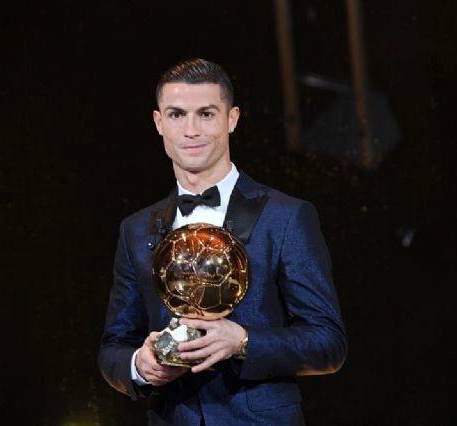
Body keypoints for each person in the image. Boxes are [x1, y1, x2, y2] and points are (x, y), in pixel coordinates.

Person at [98, 57, 347, 425]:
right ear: (159, 122)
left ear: (232, 119)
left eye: (206, 114)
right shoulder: (135, 230)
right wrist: (140, 365)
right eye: (177, 114)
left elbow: (328, 343)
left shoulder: (285, 217)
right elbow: (113, 348)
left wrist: (243, 341)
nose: (191, 130)